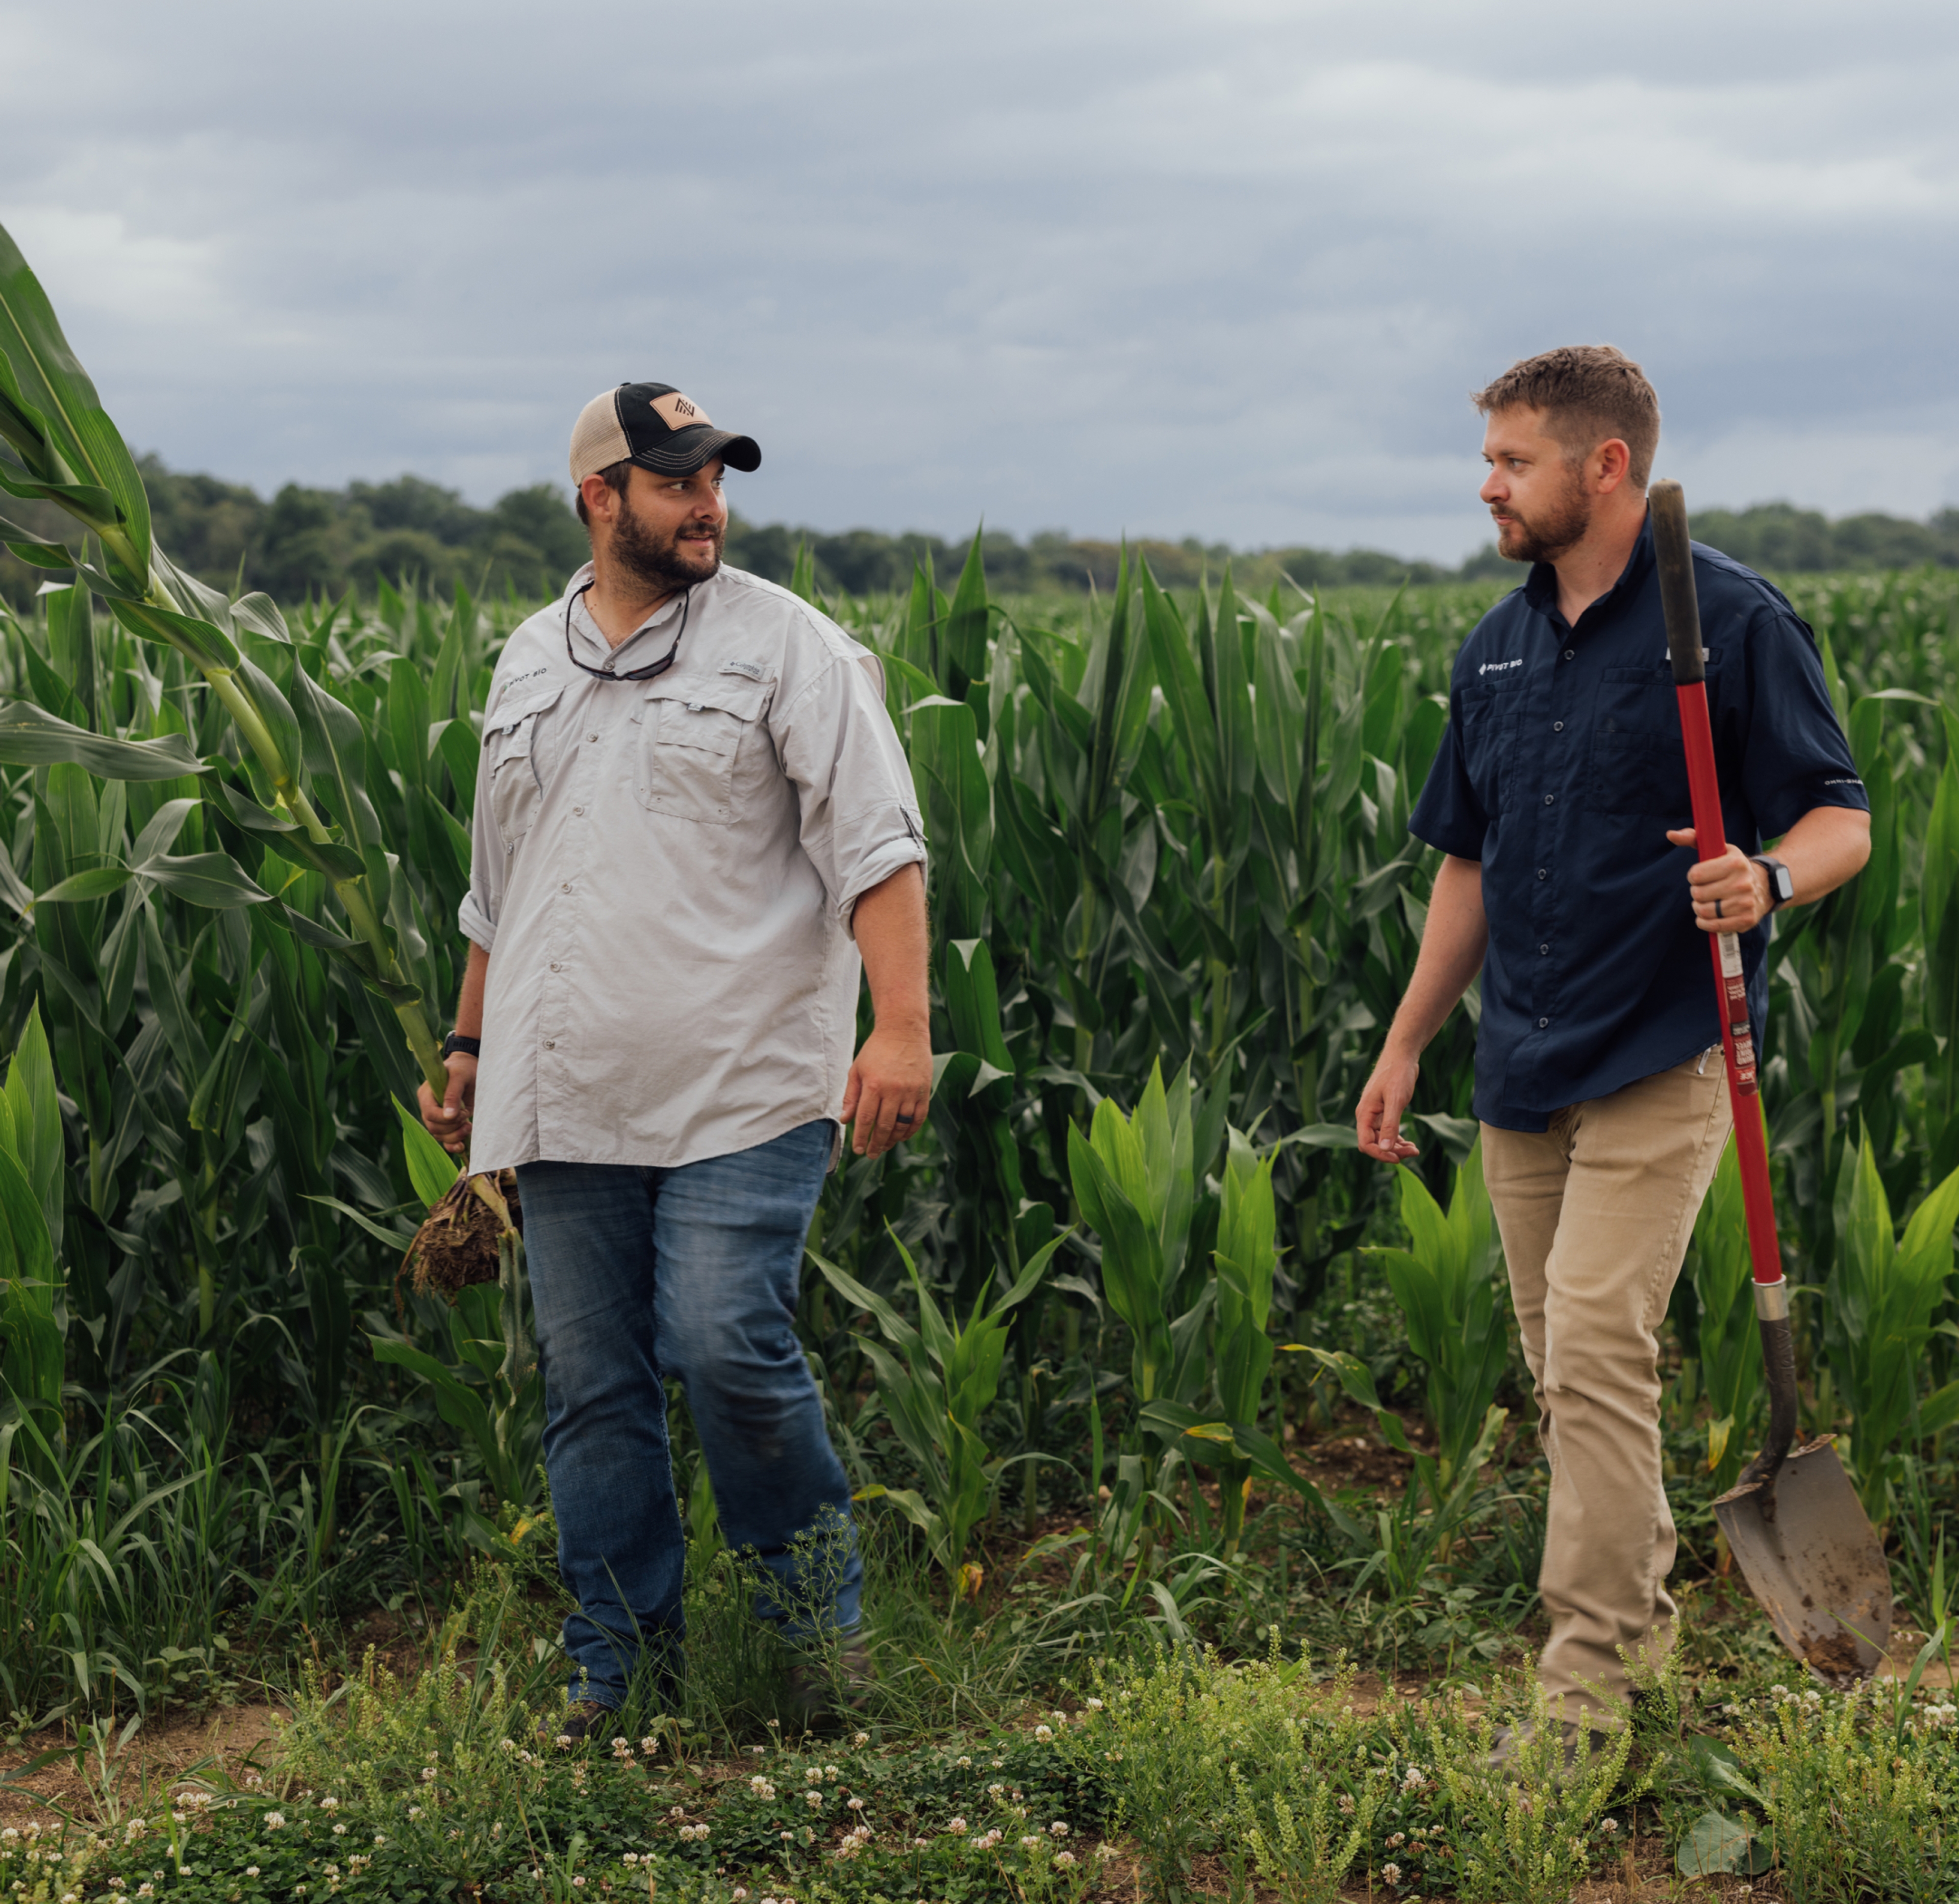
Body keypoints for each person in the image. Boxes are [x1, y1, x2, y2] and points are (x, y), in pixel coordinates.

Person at [1354, 345, 1870, 1755]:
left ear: (1605, 465)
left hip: (1665, 1040)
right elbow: (1466, 866)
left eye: (1513, 460)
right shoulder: (1500, 645)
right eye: (1492, 459)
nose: (1489, 485)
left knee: (1592, 1339)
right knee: (1566, 1366)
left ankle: (1584, 1702)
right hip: (1521, 1057)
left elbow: (1840, 814)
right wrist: (1407, 1044)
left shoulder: (1731, 622)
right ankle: (1641, 1629)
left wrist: (1766, 878)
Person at [418, 380, 932, 1732]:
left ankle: (816, 1654)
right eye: (677, 480)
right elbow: (498, 887)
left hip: (746, 1079)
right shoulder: (529, 660)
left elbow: (878, 844)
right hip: (560, 1088)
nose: (708, 503)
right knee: (592, 1391)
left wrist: (903, 1028)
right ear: (603, 500)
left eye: (717, 479)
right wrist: (470, 1046)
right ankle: (621, 1673)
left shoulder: (789, 648)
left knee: (725, 1345)